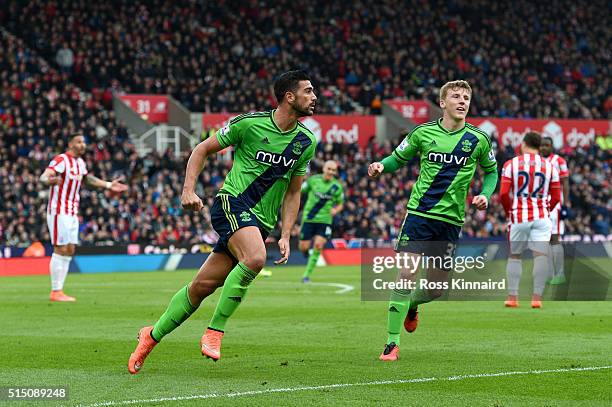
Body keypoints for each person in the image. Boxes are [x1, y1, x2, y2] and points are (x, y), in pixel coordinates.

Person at [128, 70, 318, 373]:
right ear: (289, 97)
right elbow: (202, 149)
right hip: (232, 203)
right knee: (255, 258)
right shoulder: (249, 124)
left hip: (261, 222)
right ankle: (215, 331)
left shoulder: (306, 141)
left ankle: (151, 336)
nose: (315, 96)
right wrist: (188, 189)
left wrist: (286, 233)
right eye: (308, 91)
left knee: (201, 286)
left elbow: (294, 191)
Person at [368, 80, 498, 361]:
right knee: (407, 274)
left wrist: (486, 194)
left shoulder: (479, 139)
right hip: (419, 216)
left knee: (436, 289)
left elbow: (491, 171)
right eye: (456, 96)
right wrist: (381, 165)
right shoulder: (422, 133)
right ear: (442, 103)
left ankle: (412, 306)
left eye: (466, 97)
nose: (462, 101)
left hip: (450, 222)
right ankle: (391, 343)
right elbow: (397, 158)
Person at [39, 132, 128, 302]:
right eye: (79, 142)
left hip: (72, 211)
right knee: (61, 248)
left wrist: (109, 185)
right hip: (59, 210)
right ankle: (55, 291)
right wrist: (47, 181)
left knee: (70, 249)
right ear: (70, 143)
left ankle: (59, 291)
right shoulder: (61, 160)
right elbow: (45, 175)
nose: (82, 145)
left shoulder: (80, 163)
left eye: (84, 142)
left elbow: (87, 179)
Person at [500, 132, 560, 308]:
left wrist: (507, 211)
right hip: (542, 217)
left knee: (515, 256)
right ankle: (536, 298)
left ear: (524, 143)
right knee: (540, 256)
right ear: (539, 146)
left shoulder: (511, 164)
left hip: (519, 216)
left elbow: (504, 193)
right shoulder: (550, 167)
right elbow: (556, 196)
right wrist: (546, 209)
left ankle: (512, 297)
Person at [299, 160, 344, 282]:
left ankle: (306, 275)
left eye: (333, 170)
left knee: (318, 246)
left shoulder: (337, 187)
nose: (331, 172)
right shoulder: (313, 180)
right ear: (323, 168)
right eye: (329, 169)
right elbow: (299, 190)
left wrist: (336, 210)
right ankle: (306, 252)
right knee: (303, 247)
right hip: (309, 218)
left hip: (325, 221)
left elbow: (340, 204)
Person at [539, 137, 569, 284]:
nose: (544, 148)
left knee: (555, 238)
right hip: (540, 204)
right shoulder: (537, 161)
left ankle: (560, 273)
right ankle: (550, 274)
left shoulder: (559, 161)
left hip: (555, 204)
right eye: (542, 145)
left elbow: (565, 182)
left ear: (552, 147)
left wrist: (566, 203)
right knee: (545, 239)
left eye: (547, 145)